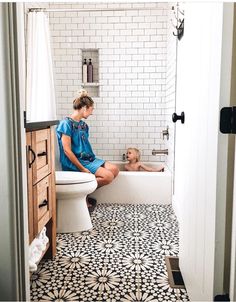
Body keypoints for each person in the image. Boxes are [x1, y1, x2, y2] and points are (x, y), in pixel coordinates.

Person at [56, 89, 119, 210]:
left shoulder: (84, 125)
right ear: (85, 108)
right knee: (108, 177)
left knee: (114, 169)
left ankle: (83, 192)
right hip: (77, 162)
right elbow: (67, 151)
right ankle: (82, 195)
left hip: (89, 159)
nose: (92, 113)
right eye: (91, 109)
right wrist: (83, 169)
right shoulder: (66, 124)